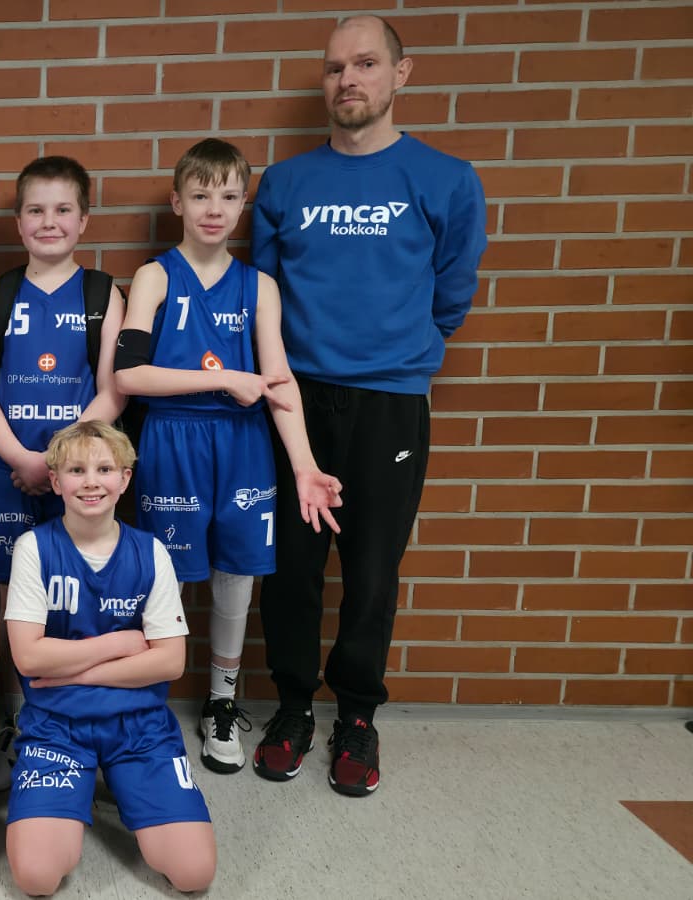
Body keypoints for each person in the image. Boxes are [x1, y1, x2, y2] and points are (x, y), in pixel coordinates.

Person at [251, 15, 488, 796]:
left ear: (400, 72)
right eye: (334, 68)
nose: (347, 80)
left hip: (391, 401)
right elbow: (263, 294)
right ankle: (293, 706)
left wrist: (403, 349)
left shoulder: (446, 179)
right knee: (291, 566)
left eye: (365, 64)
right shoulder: (286, 183)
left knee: (373, 568)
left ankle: (357, 715)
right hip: (296, 400)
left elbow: (453, 291)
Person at [113, 138, 341, 775]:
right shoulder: (156, 276)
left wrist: (304, 466)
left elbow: (279, 382)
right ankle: (150, 700)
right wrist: (222, 380)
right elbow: (129, 374)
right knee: (164, 574)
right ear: (177, 201)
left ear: (244, 205)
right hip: (173, 438)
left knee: (236, 574)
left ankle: (221, 701)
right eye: (201, 195)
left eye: (229, 196)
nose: (214, 209)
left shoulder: (258, 286)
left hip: (243, 445)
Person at [0, 155, 125, 789]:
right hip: (8, 469)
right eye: (36, 210)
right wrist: (19, 459)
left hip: (81, 475)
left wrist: (58, 463)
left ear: (84, 220)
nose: (49, 221)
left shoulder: (102, 294)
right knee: (9, 597)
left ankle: (76, 716)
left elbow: (113, 391)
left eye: (63, 210)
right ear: (18, 221)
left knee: (81, 590)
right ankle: (14, 716)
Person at [3, 422, 213, 896]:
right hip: (57, 725)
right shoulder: (34, 548)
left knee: (194, 873)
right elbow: (28, 656)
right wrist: (118, 644)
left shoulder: (151, 552)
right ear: (55, 481)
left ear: (124, 479)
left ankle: (122, 777)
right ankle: (86, 783)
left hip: (139, 726)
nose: (91, 481)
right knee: (37, 877)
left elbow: (169, 663)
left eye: (104, 469)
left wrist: (72, 671)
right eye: (76, 470)